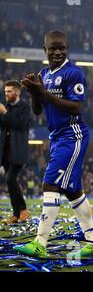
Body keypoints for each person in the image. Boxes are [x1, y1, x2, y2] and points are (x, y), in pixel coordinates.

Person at [13, 30, 93, 258]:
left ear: (67, 48)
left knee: (50, 183)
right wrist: (35, 92)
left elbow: (76, 107)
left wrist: (43, 91)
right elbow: (36, 110)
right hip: (56, 137)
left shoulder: (74, 73)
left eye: (61, 48)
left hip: (73, 135)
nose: (57, 52)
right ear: (45, 50)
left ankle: (40, 242)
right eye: (53, 48)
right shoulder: (43, 74)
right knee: (72, 191)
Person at [0, 80, 31, 225]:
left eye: (9, 91)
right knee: (11, 182)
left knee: (10, 179)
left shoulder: (24, 107)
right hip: (5, 150)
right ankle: (16, 214)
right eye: (5, 91)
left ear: (17, 92)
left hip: (18, 150)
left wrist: (5, 113)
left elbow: (20, 125)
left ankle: (23, 209)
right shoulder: (5, 107)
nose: (6, 94)